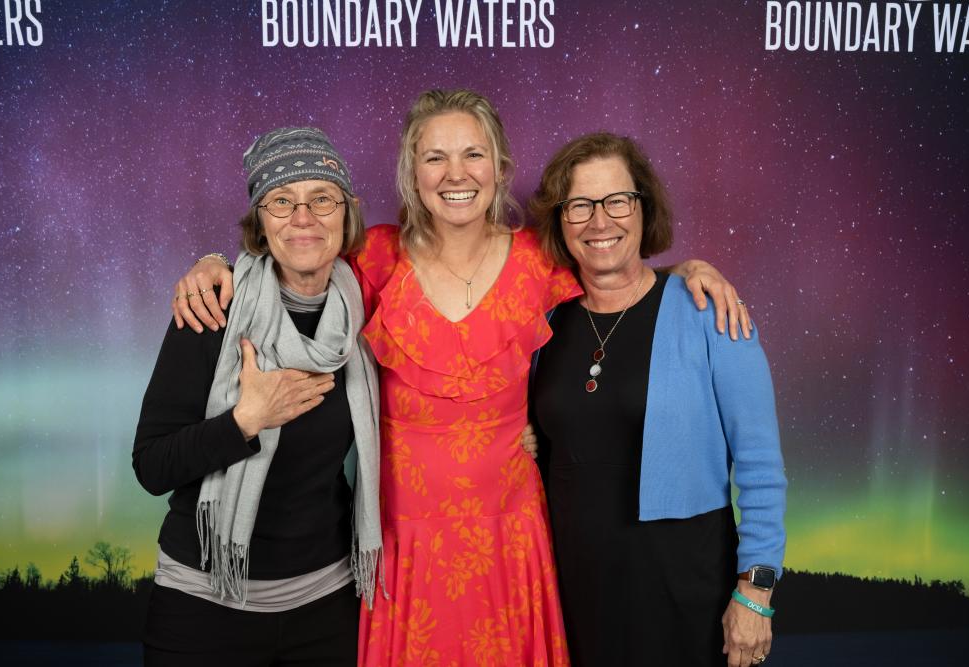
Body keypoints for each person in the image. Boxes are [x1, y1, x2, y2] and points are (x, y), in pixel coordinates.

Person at [171, 90, 750, 666]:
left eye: (473, 155)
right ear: (412, 174)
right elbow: (292, 258)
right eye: (435, 158)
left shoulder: (538, 260)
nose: (456, 174)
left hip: (511, 539)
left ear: (499, 170)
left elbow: (616, 272)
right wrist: (215, 262)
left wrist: (686, 271)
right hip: (405, 542)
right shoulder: (375, 258)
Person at [526, 132, 786, 667]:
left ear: (644, 209)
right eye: (580, 205)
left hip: (684, 589)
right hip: (574, 590)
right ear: (560, 220)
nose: (600, 222)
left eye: (617, 200)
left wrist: (755, 591)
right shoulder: (544, 324)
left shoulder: (711, 313)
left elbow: (760, 464)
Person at [133, 127, 382, 666]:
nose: (303, 217)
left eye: (322, 198)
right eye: (281, 200)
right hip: (204, 610)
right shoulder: (212, 311)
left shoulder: (369, 310)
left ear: (347, 213)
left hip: (327, 608)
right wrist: (246, 419)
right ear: (260, 222)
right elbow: (152, 466)